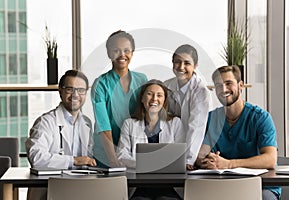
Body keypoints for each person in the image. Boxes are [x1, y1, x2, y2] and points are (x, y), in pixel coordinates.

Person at [195, 65, 281, 200]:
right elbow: (199, 155)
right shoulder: (210, 119)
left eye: (228, 83)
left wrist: (228, 164)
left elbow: (270, 159)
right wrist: (207, 162)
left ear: (240, 85)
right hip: (221, 187)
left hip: (261, 186)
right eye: (218, 85)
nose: (223, 89)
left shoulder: (260, 118)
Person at [25, 70, 96, 200]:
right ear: (60, 91)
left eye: (81, 90)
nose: (75, 95)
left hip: (80, 188)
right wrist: (74, 160)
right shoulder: (45, 122)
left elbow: (89, 157)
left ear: (86, 93)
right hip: (49, 190)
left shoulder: (87, 123)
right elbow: (36, 158)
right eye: (70, 89)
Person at [117, 79, 183, 200]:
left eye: (159, 95)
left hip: (169, 185)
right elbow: (121, 156)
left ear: (164, 101)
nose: (154, 99)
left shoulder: (175, 123)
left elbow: (180, 156)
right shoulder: (129, 124)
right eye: (149, 94)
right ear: (142, 99)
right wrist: (144, 165)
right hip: (138, 187)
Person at [91, 30, 147, 167]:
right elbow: (103, 126)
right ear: (109, 53)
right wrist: (113, 159)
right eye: (116, 50)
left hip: (132, 150)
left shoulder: (142, 80)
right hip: (107, 152)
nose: (122, 55)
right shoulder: (100, 84)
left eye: (126, 50)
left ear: (132, 53)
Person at [164, 44, 211, 170]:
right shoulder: (166, 86)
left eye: (187, 63)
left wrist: (188, 159)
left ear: (195, 66)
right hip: (172, 147)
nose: (181, 67)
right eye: (177, 62)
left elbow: (196, 126)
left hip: (194, 150)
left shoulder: (201, 91)